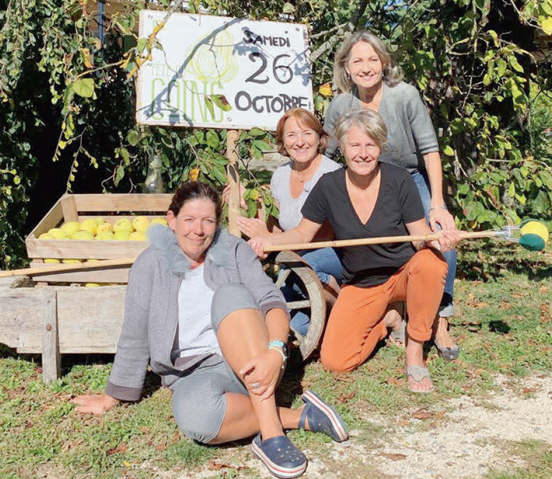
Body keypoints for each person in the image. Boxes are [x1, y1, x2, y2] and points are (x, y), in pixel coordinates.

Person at [71, 181, 348, 479]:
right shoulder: (149, 265)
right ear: (171, 220)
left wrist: (276, 350)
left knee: (230, 294)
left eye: (208, 221)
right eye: (189, 220)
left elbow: (272, 302)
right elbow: (135, 332)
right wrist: (113, 396)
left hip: (252, 355)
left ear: (217, 224)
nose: (198, 230)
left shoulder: (234, 250)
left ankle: (271, 435)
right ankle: (301, 417)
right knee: (197, 420)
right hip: (191, 374)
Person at [247, 111, 462, 393]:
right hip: (362, 283)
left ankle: (415, 352)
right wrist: (268, 241)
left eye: (370, 145)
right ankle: (387, 319)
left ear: (380, 147)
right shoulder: (329, 186)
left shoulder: (398, 180)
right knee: (336, 360)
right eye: (355, 145)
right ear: (344, 148)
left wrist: (438, 241)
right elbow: (302, 234)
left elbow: (420, 237)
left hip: (403, 274)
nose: (363, 153)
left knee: (431, 263)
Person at [325, 31, 460, 360]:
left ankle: (441, 317)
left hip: (408, 177)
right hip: (361, 180)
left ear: (384, 62)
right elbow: (326, 155)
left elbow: (429, 150)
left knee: (439, 235)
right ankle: (389, 307)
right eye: (357, 60)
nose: (366, 66)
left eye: (372, 59)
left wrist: (438, 204)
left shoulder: (404, 96)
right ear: (346, 67)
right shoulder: (340, 105)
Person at [237, 108, 343, 335]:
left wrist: (268, 239)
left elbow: (321, 235)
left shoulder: (332, 174)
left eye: (306, 133)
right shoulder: (280, 175)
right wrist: (251, 207)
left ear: (319, 137)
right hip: (294, 257)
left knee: (301, 271)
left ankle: (341, 303)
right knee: (284, 325)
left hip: (330, 254)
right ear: (283, 142)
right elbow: (278, 227)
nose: (300, 142)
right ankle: (320, 317)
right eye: (291, 135)